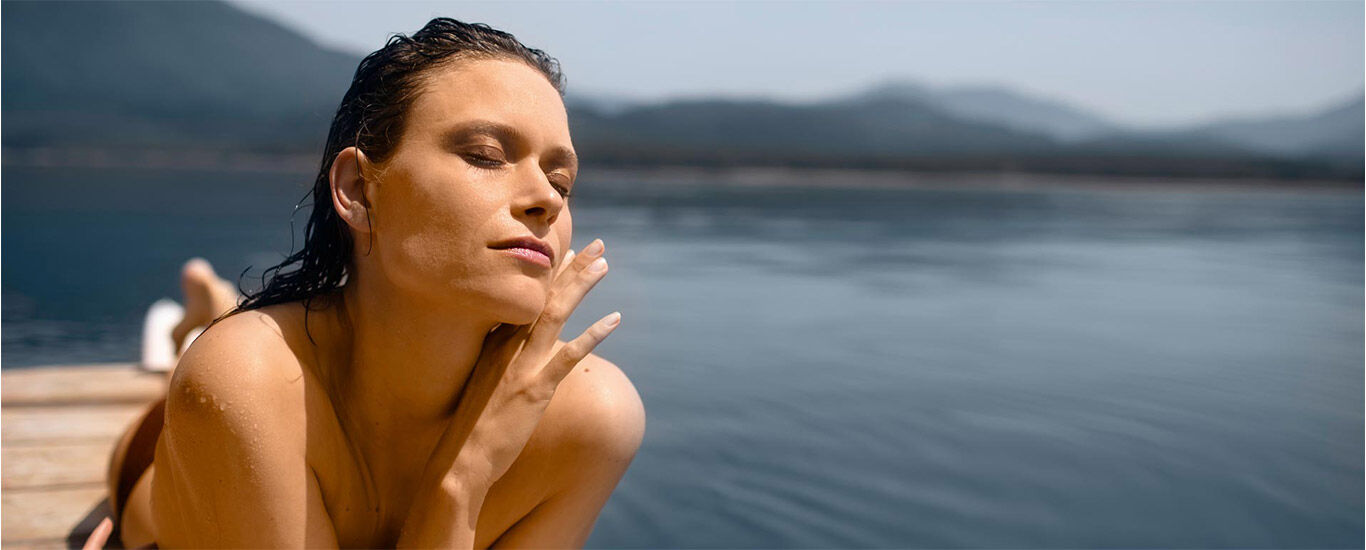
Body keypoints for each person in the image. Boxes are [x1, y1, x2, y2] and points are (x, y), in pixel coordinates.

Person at [102, 18, 645, 548]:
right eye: (486, 157)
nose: (546, 199)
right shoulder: (243, 384)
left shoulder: (592, 418)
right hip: (164, 461)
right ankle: (203, 326)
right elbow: (236, 386)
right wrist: (465, 476)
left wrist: (464, 478)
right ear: (360, 190)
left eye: (561, 181)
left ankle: (210, 312)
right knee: (214, 360)